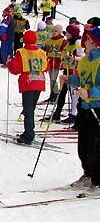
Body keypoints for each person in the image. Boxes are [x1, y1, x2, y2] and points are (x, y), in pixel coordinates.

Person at [68, 27, 100, 192]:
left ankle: (98, 179)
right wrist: (71, 79)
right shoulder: (86, 60)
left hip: (97, 108)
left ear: (95, 43)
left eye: (87, 39)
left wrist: (89, 92)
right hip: (85, 107)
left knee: (94, 147)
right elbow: (82, 79)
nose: (84, 42)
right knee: (83, 146)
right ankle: (88, 174)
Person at [7, 30, 48, 144]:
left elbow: (15, 69)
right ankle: (30, 130)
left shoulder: (22, 52)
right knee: (31, 108)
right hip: (39, 81)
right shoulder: (41, 52)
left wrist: (9, 62)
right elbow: (46, 67)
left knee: (28, 109)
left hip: (28, 82)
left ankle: (28, 134)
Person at [43, 24, 67, 103]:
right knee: (51, 79)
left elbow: (64, 51)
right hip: (50, 62)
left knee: (54, 78)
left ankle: (55, 94)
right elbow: (45, 50)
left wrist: (59, 55)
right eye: (53, 31)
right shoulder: (48, 41)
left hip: (57, 62)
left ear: (60, 32)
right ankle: (52, 94)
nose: (54, 32)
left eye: (56, 31)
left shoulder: (62, 40)